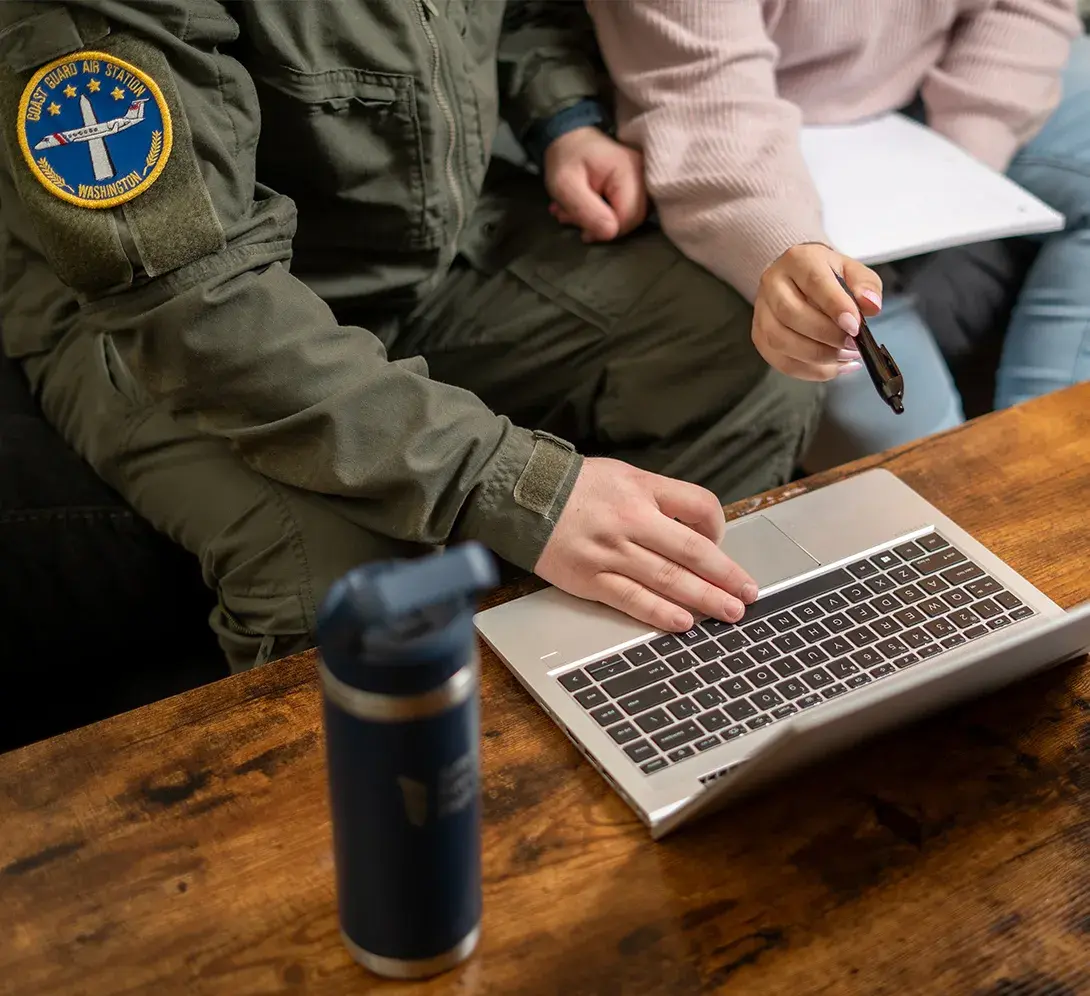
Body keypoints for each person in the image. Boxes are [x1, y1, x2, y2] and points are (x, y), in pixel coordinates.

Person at [0, 1, 823, 674]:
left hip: (423, 249)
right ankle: (372, 855)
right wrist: (519, 486)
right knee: (352, 585)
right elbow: (192, 298)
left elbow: (522, 13)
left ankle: (663, 697)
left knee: (736, 355)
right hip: (168, 321)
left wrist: (562, 116)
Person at [587, 0, 1086, 470]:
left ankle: (1050, 475)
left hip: (926, 99)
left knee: (1030, 477)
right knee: (932, 465)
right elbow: (705, 102)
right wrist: (785, 245)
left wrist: (961, 158)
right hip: (746, 141)